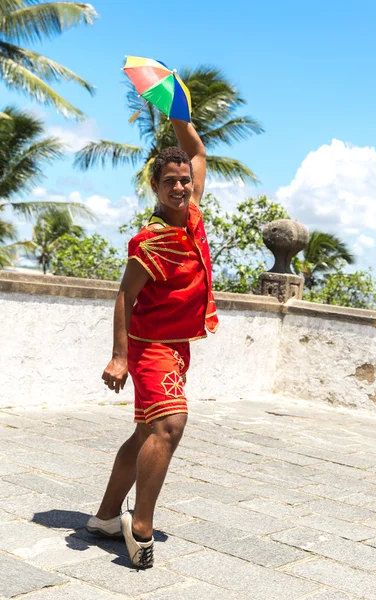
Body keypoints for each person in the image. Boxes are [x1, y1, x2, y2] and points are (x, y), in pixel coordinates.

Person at [86, 118, 219, 569]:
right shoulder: (150, 242)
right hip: (149, 347)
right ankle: (139, 526)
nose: (181, 187)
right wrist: (120, 356)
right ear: (156, 188)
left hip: (177, 346)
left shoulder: (194, 213)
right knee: (170, 426)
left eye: (184, 181)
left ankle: (105, 517)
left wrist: (179, 114)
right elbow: (125, 295)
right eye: (170, 183)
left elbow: (197, 153)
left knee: (146, 431)